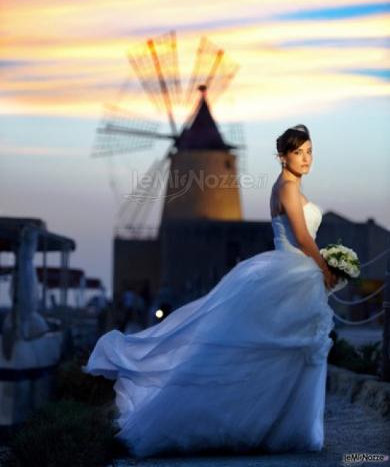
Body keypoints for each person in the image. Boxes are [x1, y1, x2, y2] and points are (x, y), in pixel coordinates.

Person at [82, 124, 338, 458]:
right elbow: (303, 238)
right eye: (297, 152)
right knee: (281, 350)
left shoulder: (287, 186)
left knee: (286, 352)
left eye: (309, 151)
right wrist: (326, 268)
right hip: (291, 273)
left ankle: (288, 426)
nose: (305, 158)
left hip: (293, 274)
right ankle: (275, 427)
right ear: (282, 156)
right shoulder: (287, 188)